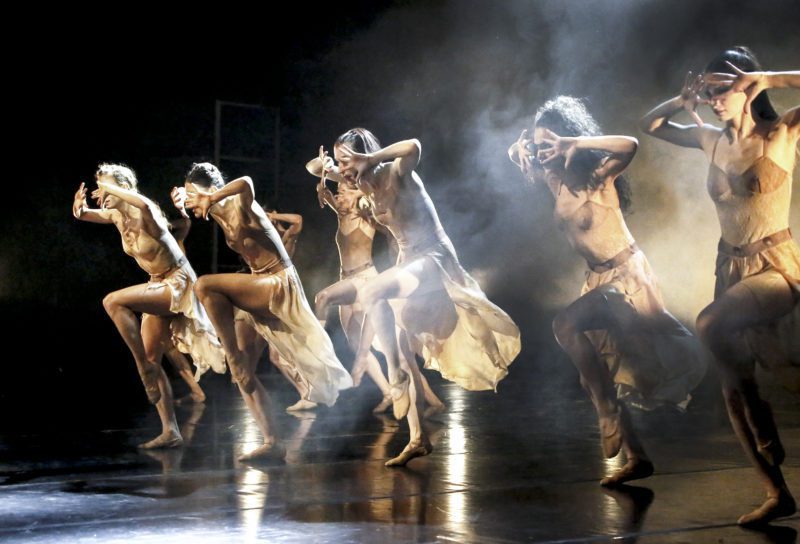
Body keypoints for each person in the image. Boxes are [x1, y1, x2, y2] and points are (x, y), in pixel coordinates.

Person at [510, 96, 705, 486]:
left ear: (568, 140)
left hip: (626, 278)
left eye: (551, 143)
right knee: (596, 375)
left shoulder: (598, 175)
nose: (543, 151)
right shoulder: (553, 179)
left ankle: (607, 412)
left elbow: (630, 145)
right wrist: (521, 148)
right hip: (598, 279)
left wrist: (574, 145)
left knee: (565, 325)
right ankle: (637, 457)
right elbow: (522, 151)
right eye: (538, 145)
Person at [641, 46, 800, 525]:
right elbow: (650, 126)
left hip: (777, 268)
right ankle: (777, 493)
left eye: (720, 88)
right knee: (732, 384)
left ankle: (760, 410)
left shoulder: (783, 132)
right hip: (729, 270)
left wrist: (768, 77)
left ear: (746, 86)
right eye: (707, 90)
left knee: (709, 325)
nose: (712, 99)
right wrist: (681, 100)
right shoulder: (709, 139)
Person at [331, 129, 521, 466]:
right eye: (341, 162)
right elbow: (330, 174)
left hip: (434, 257)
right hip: (409, 262)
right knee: (403, 348)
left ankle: (393, 376)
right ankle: (417, 438)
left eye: (347, 160)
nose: (344, 168)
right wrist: (328, 170)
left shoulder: (395, 172)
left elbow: (415, 145)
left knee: (375, 290)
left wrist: (372, 158)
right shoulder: (363, 186)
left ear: (365, 155)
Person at [174, 162, 352, 461]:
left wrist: (207, 196)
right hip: (259, 283)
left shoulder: (239, 203)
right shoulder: (215, 210)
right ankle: (273, 441)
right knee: (243, 373)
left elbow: (245, 180)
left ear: (210, 190)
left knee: (205, 286)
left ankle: (229, 352)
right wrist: (183, 196)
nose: (193, 201)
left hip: (278, 282)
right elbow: (195, 201)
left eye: (195, 194)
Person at [72, 163, 224, 448]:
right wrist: (79, 209)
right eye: (100, 188)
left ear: (123, 187)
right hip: (158, 283)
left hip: (178, 283)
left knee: (113, 301)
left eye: (105, 187)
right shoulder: (117, 215)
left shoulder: (147, 211)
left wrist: (112, 188)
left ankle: (143, 368)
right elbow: (85, 215)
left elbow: (140, 201)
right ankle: (171, 431)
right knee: (155, 358)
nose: (100, 194)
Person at [308, 150, 444, 415]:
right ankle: (390, 392)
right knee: (360, 347)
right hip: (346, 281)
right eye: (336, 194)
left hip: (365, 280)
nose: (338, 196)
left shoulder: (362, 209)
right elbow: (312, 167)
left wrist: (363, 198)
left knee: (323, 299)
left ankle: (315, 349)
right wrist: (324, 166)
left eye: (343, 192)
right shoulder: (341, 212)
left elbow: (381, 219)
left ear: (355, 193)